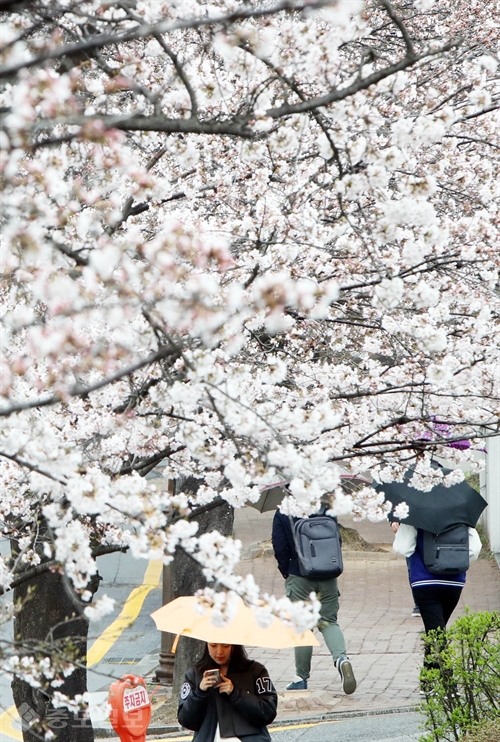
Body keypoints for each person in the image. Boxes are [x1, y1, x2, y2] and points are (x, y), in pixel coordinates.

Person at [271, 509, 356, 694]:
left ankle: (301, 678)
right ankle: (342, 659)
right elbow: (336, 540)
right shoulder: (323, 505)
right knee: (329, 622)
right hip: (327, 573)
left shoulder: (284, 510)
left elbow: (279, 546)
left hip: (298, 574)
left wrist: (287, 571)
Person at [392, 522, 481, 690]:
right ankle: (427, 680)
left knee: (436, 634)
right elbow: (474, 550)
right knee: (436, 630)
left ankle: (449, 684)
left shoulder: (417, 513)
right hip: (454, 581)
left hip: (424, 580)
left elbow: (404, 547)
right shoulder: (461, 514)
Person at [177, 642, 277, 742]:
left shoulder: (255, 671)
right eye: (213, 645)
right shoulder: (195, 674)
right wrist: (199, 692)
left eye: (225, 646)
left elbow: (268, 712)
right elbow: (186, 719)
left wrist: (235, 694)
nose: (219, 651)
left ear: (234, 645)